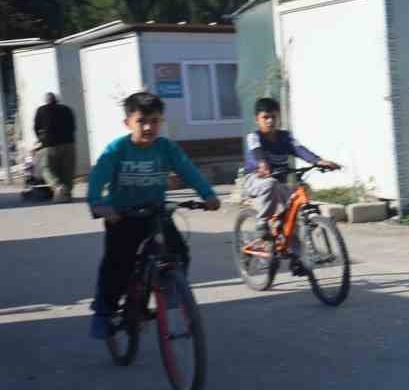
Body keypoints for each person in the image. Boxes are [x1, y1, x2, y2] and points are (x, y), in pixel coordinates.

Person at [86, 91, 221, 339]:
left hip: (155, 213)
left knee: (179, 252)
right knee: (118, 264)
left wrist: (208, 194)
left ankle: (169, 289)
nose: (148, 127)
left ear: (161, 121)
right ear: (128, 122)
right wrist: (98, 204)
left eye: (155, 121)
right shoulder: (117, 149)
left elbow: (188, 170)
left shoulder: (166, 148)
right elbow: (97, 178)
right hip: (122, 216)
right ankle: (103, 311)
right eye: (141, 121)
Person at [240, 98, 339, 255]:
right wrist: (262, 163)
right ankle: (262, 224)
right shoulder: (254, 137)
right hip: (255, 180)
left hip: (279, 183)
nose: (270, 121)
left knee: (293, 214)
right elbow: (256, 152)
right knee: (269, 183)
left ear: (279, 117)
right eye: (265, 117)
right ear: (257, 119)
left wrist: (318, 161)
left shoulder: (285, 137)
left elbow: (300, 149)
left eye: (273, 117)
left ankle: (296, 257)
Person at [32, 92, 77, 201]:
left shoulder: (41, 110)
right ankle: (67, 194)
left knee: (47, 168)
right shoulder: (67, 109)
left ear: (46, 101)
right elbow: (73, 127)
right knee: (67, 170)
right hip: (69, 143)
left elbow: (36, 127)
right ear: (57, 100)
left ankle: (57, 186)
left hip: (50, 145)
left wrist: (40, 140)